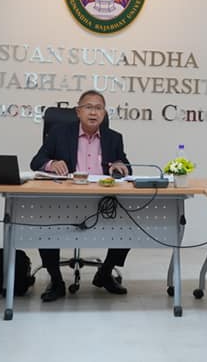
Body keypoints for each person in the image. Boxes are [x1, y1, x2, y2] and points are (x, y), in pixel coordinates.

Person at [29, 90, 130, 301]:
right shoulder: (59, 133)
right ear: (78, 111)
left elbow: (125, 165)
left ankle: (105, 273)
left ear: (104, 113)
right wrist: (51, 163)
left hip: (103, 199)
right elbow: (36, 161)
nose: (93, 112)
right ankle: (56, 281)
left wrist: (120, 166)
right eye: (88, 107)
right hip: (64, 197)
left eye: (98, 108)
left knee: (129, 222)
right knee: (44, 224)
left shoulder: (114, 138)